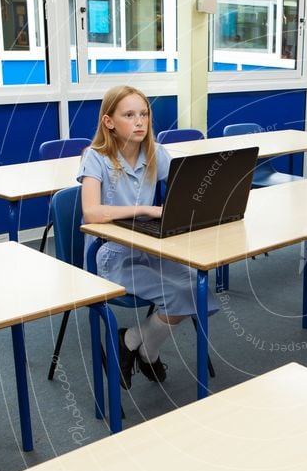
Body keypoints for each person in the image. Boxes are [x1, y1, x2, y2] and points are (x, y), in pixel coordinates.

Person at [78, 85, 218, 389]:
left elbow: (186, 190)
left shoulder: (156, 152)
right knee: (182, 295)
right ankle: (147, 350)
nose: (140, 121)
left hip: (150, 245)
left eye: (144, 114)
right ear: (109, 122)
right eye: (129, 115)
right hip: (110, 254)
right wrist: (147, 209)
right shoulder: (95, 157)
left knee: (199, 289)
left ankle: (133, 342)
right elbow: (90, 212)